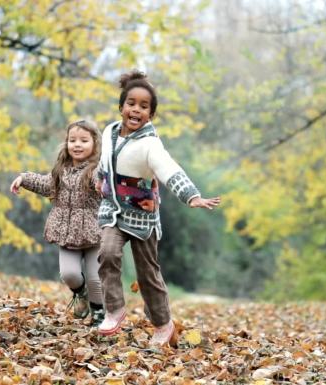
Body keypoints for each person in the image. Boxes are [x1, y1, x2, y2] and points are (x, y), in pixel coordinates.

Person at [95, 70, 220, 346]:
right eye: (131, 103)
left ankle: (163, 324)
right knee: (107, 252)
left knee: (147, 274)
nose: (136, 110)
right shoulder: (108, 133)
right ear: (121, 107)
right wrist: (98, 179)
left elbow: (168, 169)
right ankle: (114, 309)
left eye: (143, 106)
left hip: (142, 217)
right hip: (112, 212)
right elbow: (104, 163)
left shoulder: (150, 144)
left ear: (150, 114)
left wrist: (192, 196)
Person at [10, 120, 105, 326]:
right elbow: (46, 184)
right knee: (69, 274)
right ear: (66, 143)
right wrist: (23, 179)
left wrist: (103, 181)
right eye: (72, 140)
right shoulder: (61, 169)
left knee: (95, 277)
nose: (77, 145)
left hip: (93, 232)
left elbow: (103, 181)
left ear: (95, 144)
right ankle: (81, 294)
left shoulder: (96, 169)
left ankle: (99, 316)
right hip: (66, 232)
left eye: (83, 140)